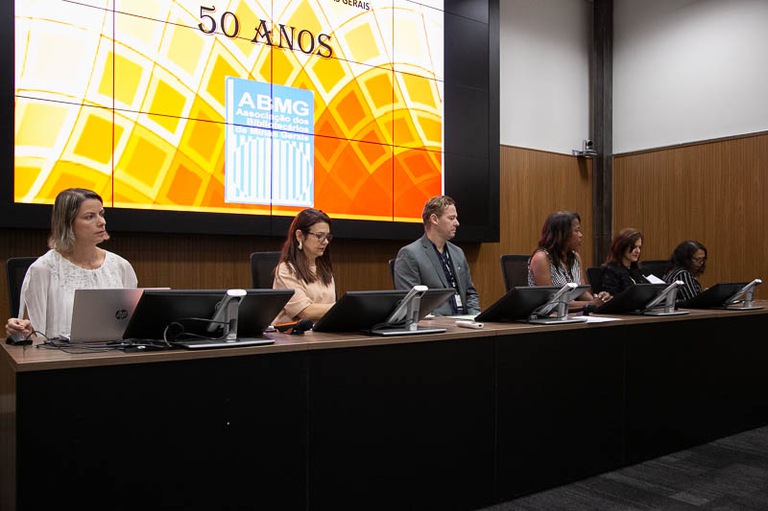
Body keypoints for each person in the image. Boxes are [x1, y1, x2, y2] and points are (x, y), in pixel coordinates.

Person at [5, 188, 138, 340]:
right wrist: (20, 329)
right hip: (60, 360)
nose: (102, 222)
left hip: (115, 356)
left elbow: (130, 326)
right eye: (90, 217)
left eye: (101, 214)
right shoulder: (42, 269)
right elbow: (29, 336)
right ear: (67, 223)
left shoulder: (121, 266)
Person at [393, 195, 480, 316]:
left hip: (464, 324)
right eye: (451, 218)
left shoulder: (458, 253)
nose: (457, 223)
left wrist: (475, 317)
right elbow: (412, 302)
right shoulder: (410, 254)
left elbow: (470, 293)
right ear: (434, 219)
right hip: (436, 326)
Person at [528, 210, 611, 310]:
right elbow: (551, 302)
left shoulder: (575, 257)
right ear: (563, 234)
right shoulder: (541, 258)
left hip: (571, 315)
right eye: (577, 231)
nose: (581, 235)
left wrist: (600, 300)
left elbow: (582, 292)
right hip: (549, 317)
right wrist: (591, 304)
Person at [272, 208, 336, 324]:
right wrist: (341, 308)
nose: (325, 241)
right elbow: (305, 312)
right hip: (294, 338)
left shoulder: (324, 268)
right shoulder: (286, 270)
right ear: (300, 236)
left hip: (323, 333)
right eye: (319, 236)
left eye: (327, 236)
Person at [600, 227, 649, 296]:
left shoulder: (636, 270)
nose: (638, 251)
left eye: (639, 247)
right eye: (634, 247)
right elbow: (613, 298)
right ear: (622, 247)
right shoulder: (612, 271)